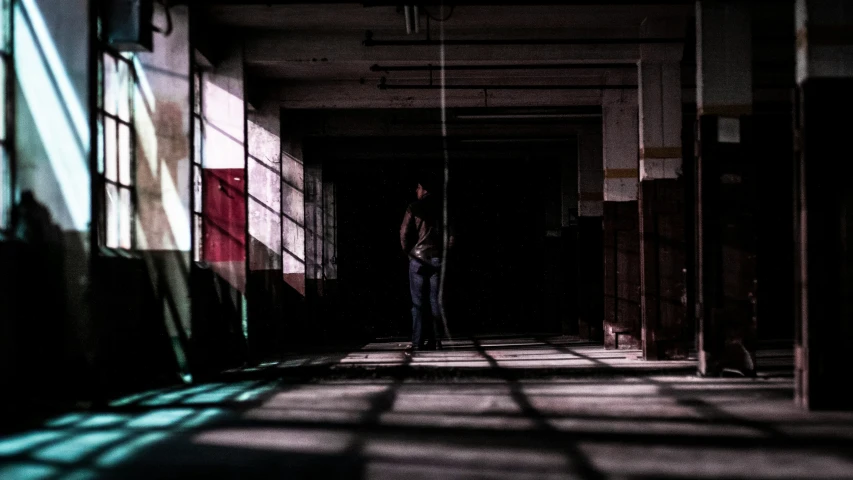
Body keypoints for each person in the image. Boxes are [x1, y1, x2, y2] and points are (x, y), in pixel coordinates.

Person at [400, 171, 451, 352]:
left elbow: (404, 234)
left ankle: (417, 342)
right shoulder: (442, 208)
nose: (416, 190)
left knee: (418, 303)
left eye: (418, 188)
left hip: (418, 260)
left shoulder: (413, 207)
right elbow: (451, 236)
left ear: (423, 189)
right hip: (437, 259)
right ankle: (436, 341)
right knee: (435, 301)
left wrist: (410, 253)